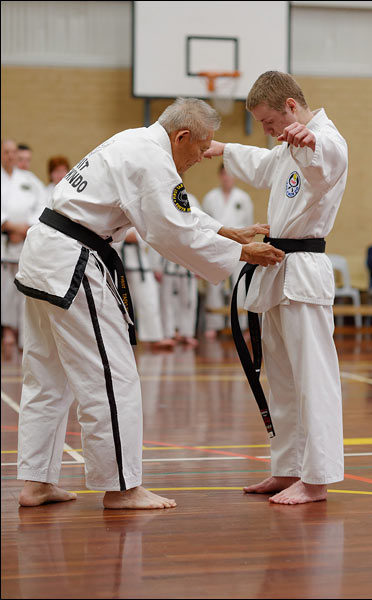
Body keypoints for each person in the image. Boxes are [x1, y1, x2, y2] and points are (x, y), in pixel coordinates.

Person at [14, 97, 285, 510]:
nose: (200, 157)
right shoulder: (152, 160)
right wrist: (243, 254)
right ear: (181, 136)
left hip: (45, 255)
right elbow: (172, 231)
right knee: (112, 374)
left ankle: (36, 482)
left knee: (47, 375)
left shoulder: (135, 142)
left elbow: (176, 214)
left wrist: (226, 232)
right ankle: (122, 488)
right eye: (200, 147)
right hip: (72, 262)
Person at [205, 71, 348, 505]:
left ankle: (318, 478)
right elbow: (263, 166)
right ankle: (287, 469)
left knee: (313, 377)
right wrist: (221, 148)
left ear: (289, 106)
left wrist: (311, 143)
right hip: (275, 266)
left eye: (269, 122)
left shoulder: (326, 139)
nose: (267, 131)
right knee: (281, 379)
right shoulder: (288, 143)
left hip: (304, 268)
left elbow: (327, 165)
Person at [1, 140, 46, 360]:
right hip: (4, 237)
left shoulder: (28, 180)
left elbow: (42, 205)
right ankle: (7, 329)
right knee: (5, 290)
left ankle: (22, 335)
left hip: (24, 239)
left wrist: (27, 226)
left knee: (22, 287)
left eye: (13, 153)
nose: (10, 156)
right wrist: (8, 225)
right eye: (6, 152)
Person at [202, 164, 254, 337]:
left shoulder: (244, 198)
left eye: (230, 175)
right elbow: (203, 226)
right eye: (224, 174)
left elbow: (249, 226)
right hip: (216, 246)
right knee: (214, 283)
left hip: (238, 247)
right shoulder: (210, 198)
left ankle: (241, 325)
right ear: (220, 176)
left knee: (239, 286)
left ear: (235, 177)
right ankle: (213, 324)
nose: (227, 178)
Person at [158, 191, 202, 347]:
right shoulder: (162, 199)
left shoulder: (193, 199)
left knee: (189, 299)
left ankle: (187, 333)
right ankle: (168, 332)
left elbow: (200, 230)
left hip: (188, 259)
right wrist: (156, 266)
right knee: (166, 300)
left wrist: (199, 265)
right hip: (168, 258)